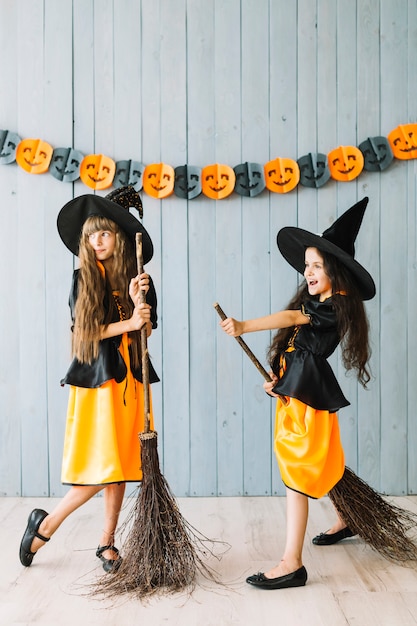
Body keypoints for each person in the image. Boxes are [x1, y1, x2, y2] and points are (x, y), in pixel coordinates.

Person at [220, 197, 376, 590]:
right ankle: (348, 517)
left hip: (309, 397)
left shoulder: (337, 305)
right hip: (299, 394)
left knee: (297, 474)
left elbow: (292, 321)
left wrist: (245, 324)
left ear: (335, 271)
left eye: (316, 265)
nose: (307, 272)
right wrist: (278, 380)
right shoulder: (318, 301)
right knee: (313, 461)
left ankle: (292, 563)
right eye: (306, 265)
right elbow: (296, 346)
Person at [19, 186, 159, 573]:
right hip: (98, 384)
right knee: (105, 466)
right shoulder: (83, 278)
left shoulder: (139, 278)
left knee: (123, 466)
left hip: (132, 381)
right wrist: (128, 321)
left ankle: (106, 543)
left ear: (118, 237)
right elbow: (85, 332)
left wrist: (137, 305)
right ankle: (46, 525)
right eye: (91, 234)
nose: (98, 241)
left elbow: (146, 331)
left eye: (105, 233)